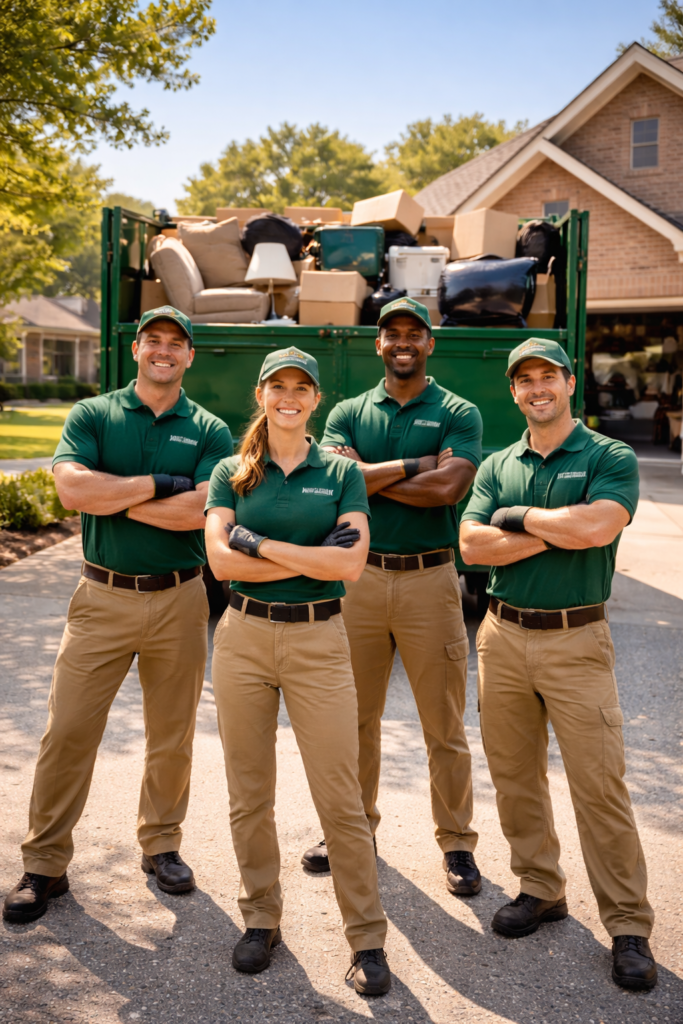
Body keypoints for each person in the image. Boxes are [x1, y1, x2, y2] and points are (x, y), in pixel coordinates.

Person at [3, 306, 233, 924]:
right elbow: (72, 492)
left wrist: (118, 496)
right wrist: (161, 483)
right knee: (68, 731)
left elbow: (200, 514)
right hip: (100, 598)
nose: (164, 350)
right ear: (137, 349)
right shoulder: (93, 413)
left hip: (181, 597)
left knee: (172, 735)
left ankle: (161, 844)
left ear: (190, 357)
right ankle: (45, 864)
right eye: (153, 340)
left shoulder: (210, 429)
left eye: (176, 344)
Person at [459, 338, 657, 991]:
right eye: (524, 380)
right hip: (502, 635)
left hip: (576, 639)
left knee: (597, 785)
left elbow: (597, 528)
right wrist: (550, 524)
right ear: (513, 391)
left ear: (569, 383)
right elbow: (470, 543)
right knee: (514, 776)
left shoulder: (608, 455)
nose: (536, 388)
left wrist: (513, 520)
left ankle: (627, 924)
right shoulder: (497, 462)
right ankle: (539, 888)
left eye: (548, 376)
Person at [204, 346, 391, 995]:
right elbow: (221, 564)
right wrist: (306, 553)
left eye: (300, 387)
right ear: (261, 395)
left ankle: (366, 940)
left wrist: (259, 543)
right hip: (244, 638)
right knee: (248, 792)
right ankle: (259, 919)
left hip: (319, 639)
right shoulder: (230, 470)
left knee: (340, 800)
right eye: (277, 385)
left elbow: (348, 567)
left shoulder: (340, 472)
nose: (289, 396)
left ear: (315, 399)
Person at [301, 297, 484, 897]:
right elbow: (333, 484)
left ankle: (457, 843)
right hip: (360, 577)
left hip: (432, 579)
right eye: (392, 334)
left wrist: (369, 474)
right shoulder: (349, 412)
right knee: (352, 719)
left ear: (430, 343)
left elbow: (449, 488)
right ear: (377, 345)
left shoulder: (459, 411)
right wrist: (413, 463)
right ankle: (353, 832)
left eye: (415, 333)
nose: (403, 341)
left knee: (444, 724)